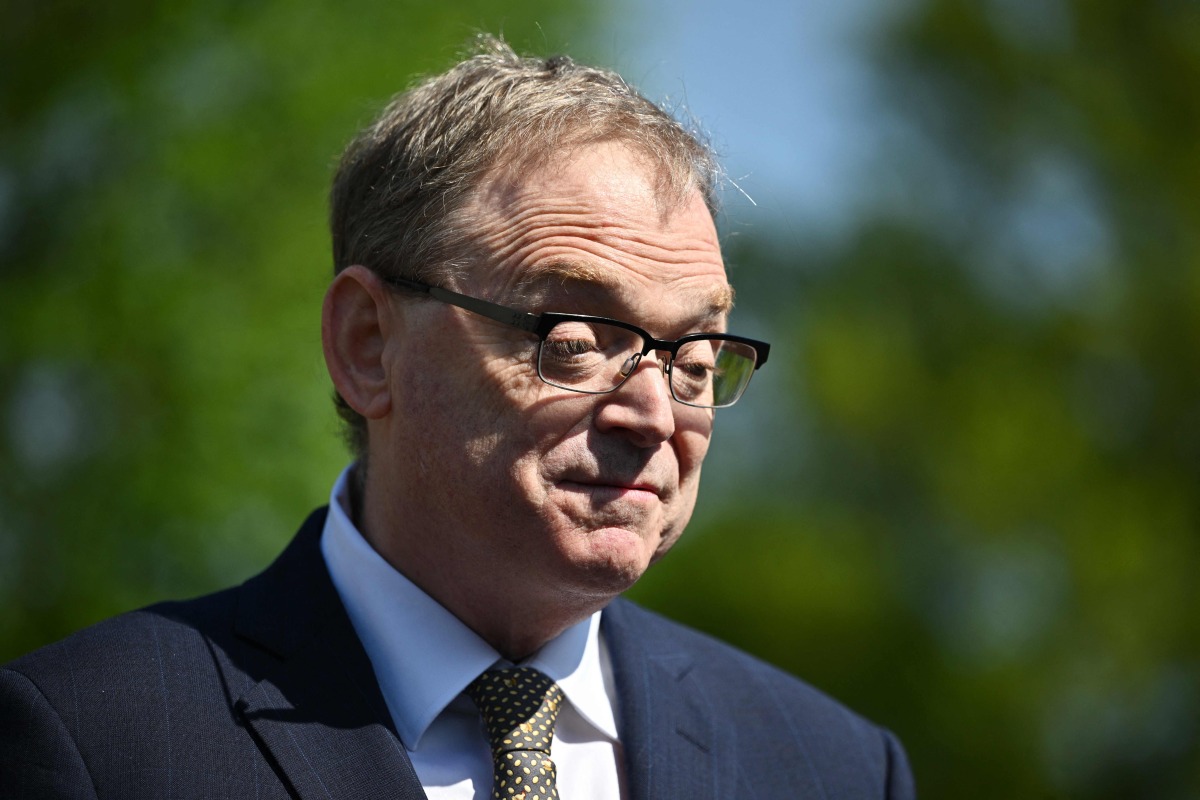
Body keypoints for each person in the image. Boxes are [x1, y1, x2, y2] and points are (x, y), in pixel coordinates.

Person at [0, 37, 915, 798]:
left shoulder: (829, 767)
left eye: (696, 357)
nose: (650, 414)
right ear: (368, 344)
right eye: (576, 337)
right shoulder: (94, 741)